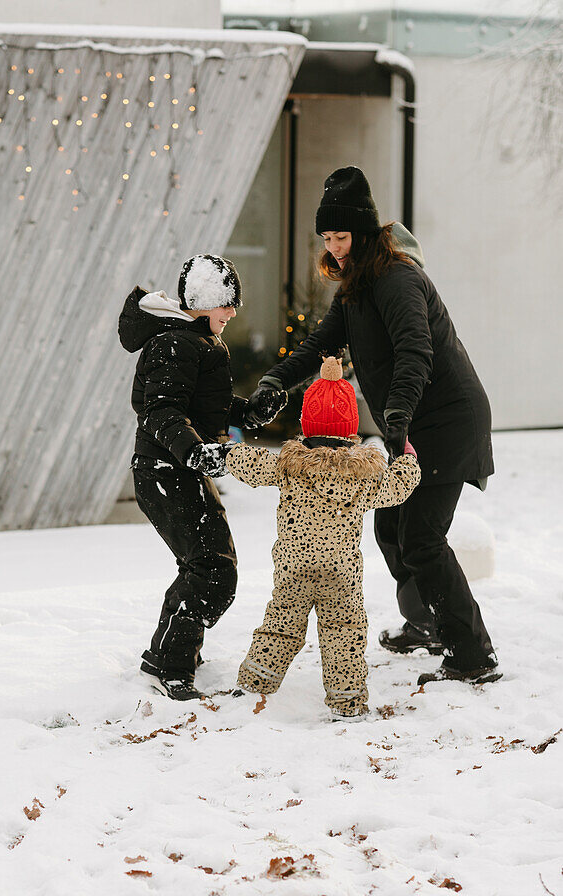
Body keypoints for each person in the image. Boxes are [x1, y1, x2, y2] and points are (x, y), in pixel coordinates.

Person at [245, 166, 500, 686]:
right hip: (413, 422)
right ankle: (427, 622)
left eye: (340, 236)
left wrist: (398, 414)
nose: (334, 247)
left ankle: (473, 655)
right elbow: (320, 345)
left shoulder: (398, 278)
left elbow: (415, 349)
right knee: (390, 526)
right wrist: (275, 382)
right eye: (327, 238)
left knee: (422, 538)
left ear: (362, 233)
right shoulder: (356, 288)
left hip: (447, 421)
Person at [227, 356, 420, 719]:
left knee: (280, 627)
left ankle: (253, 685)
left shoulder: (289, 464)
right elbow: (398, 487)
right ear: (351, 430)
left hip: (293, 570)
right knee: (344, 634)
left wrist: (226, 450)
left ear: (306, 424)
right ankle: (347, 702)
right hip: (341, 575)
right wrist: (407, 456)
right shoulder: (364, 476)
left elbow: (251, 465)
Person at [118, 254, 247, 701]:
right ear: (205, 301)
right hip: (164, 472)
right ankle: (167, 663)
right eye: (227, 303)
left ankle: (174, 653)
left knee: (210, 566)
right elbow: (160, 410)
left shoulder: (197, 342)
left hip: (180, 471)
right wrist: (194, 451)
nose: (233, 312)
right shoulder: (174, 344)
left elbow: (206, 407)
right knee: (212, 570)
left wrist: (251, 411)